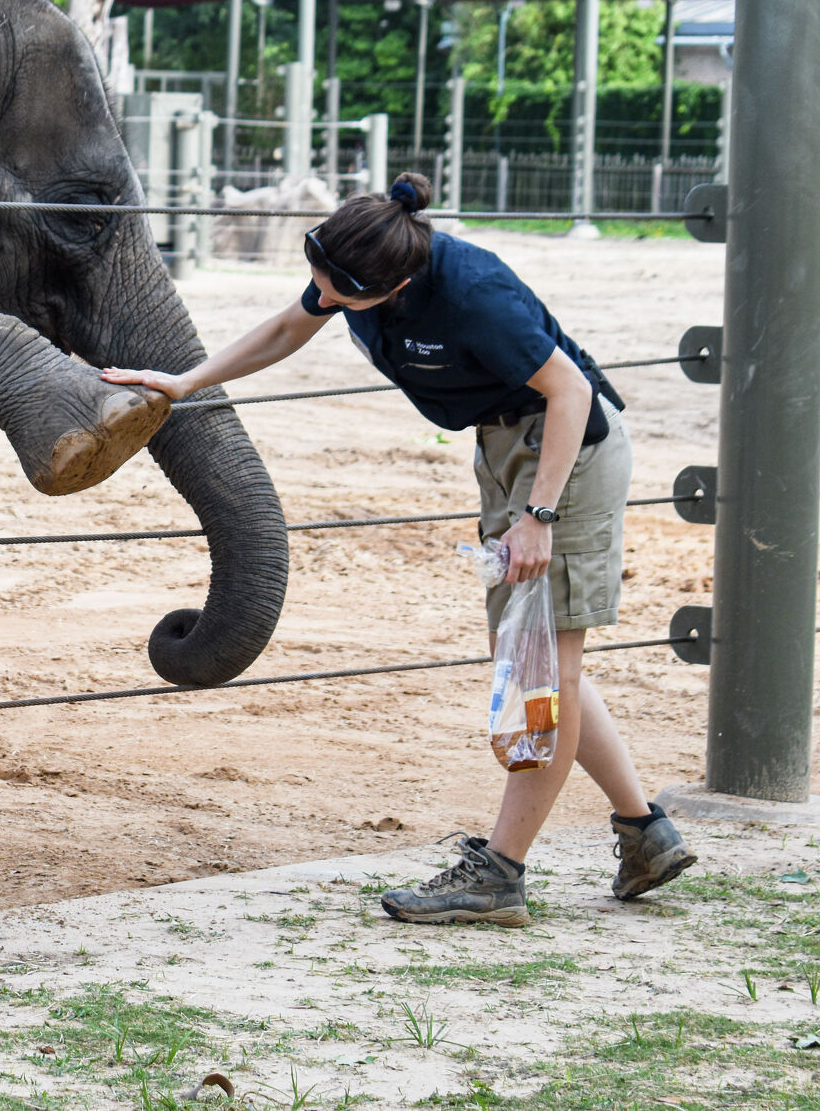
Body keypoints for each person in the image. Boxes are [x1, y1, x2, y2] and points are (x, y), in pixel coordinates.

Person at [103, 172, 695, 926]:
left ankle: (501, 874)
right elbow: (289, 326)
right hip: (507, 445)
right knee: (542, 658)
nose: (319, 293)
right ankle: (646, 830)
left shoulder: (474, 293)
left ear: (398, 282)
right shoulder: (357, 268)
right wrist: (187, 381)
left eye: (336, 288)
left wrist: (539, 515)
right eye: (316, 273)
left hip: (563, 454)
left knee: (540, 667)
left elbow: (571, 390)